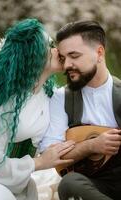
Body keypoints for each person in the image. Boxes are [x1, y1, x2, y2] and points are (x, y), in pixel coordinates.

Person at [0, 18, 75, 200]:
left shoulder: (49, 95)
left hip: (21, 181)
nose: (56, 50)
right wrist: (39, 163)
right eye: (49, 45)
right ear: (33, 56)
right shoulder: (5, 100)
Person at [39, 20, 121, 200]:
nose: (67, 65)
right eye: (63, 57)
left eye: (74, 56)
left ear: (99, 53)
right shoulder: (61, 98)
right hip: (93, 185)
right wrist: (91, 145)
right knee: (69, 183)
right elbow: (50, 153)